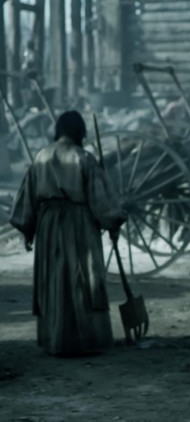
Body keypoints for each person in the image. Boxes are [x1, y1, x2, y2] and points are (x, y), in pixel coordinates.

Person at [9, 110, 127, 356]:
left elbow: (28, 198)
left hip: (48, 225)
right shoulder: (84, 158)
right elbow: (100, 199)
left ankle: (55, 340)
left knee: (53, 279)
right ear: (80, 132)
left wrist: (28, 230)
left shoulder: (41, 157)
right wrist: (113, 222)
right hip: (79, 223)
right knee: (82, 278)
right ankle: (84, 340)